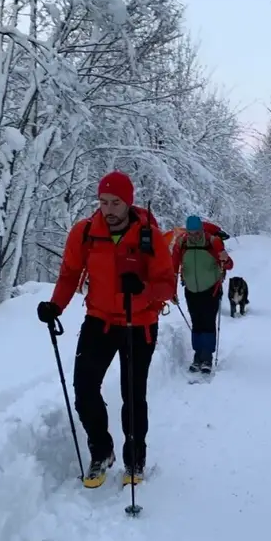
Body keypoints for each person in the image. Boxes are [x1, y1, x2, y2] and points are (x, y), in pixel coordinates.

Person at [36, 171, 176, 488]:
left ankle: (135, 460)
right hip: (99, 320)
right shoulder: (84, 233)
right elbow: (70, 274)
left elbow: (167, 285)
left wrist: (141, 290)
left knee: (132, 395)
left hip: (138, 324)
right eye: (103, 202)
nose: (109, 209)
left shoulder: (149, 236)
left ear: (128, 202)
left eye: (115, 203)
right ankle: (102, 451)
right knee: (84, 390)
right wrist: (55, 305)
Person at [171, 215, 234, 373]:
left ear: (202, 230)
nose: (194, 236)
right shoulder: (181, 243)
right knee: (196, 322)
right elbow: (173, 269)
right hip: (191, 290)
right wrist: (172, 290)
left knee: (208, 322)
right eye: (191, 233)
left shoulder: (213, 242)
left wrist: (225, 260)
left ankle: (207, 356)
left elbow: (229, 265)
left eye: (197, 232)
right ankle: (198, 355)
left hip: (211, 289)